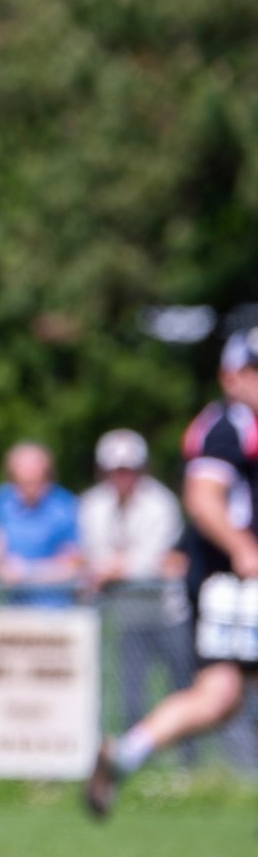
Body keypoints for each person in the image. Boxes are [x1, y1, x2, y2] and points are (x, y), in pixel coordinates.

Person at [89, 332, 258, 816]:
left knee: (219, 696)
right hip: (235, 585)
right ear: (232, 376)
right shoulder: (226, 427)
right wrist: (244, 549)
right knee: (217, 694)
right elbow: (203, 498)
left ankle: (124, 754)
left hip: (231, 585)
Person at [78, 429, 192, 745]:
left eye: (129, 469)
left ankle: (189, 766)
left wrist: (113, 567)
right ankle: (133, 760)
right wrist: (119, 565)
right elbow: (94, 554)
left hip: (168, 614)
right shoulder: (92, 504)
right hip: (129, 619)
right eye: (116, 470)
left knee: (182, 692)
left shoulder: (161, 503)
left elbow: (154, 561)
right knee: (130, 700)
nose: (123, 476)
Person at [0, 441, 83, 605]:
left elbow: (74, 566)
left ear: (47, 476)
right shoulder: (2, 500)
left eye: (34, 480)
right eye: (21, 482)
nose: (26, 489)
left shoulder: (66, 506)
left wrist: (27, 573)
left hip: (54, 610)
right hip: (13, 607)